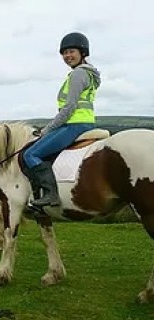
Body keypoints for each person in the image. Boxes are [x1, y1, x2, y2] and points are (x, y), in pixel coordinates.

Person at [23, 32, 101, 208]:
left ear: (82, 53)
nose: (67, 56)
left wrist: (47, 129)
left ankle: (51, 195)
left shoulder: (78, 74)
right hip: (85, 123)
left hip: (74, 125)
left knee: (31, 154)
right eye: (64, 53)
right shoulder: (88, 74)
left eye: (71, 51)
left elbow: (69, 107)